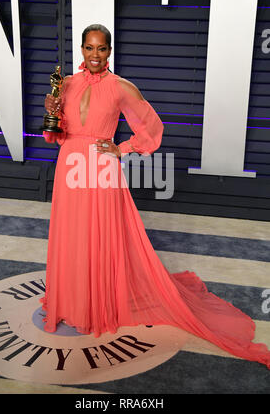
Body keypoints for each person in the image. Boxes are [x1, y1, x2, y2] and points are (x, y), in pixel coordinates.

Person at [40, 24, 270, 369]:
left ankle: (94, 305)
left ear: (110, 52)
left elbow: (151, 128)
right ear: (81, 50)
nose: (94, 55)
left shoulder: (121, 88)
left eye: (101, 49)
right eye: (89, 48)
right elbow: (52, 137)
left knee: (99, 239)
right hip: (68, 170)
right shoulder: (66, 85)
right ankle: (71, 301)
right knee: (71, 237)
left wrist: (122, 147)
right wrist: (51, 112)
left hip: (101, 170)